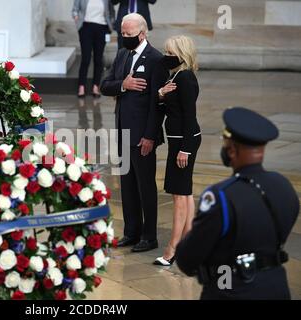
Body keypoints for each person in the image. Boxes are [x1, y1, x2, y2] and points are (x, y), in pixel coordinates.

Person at [175, 107, 300, 300]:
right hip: (276, 287)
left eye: (226, 144)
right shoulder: (283, 186)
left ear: (232, 150)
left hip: (230, 290)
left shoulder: (221, 196)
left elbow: (187, 259)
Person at [100, 13, 168, 252]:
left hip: (142, 136)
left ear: (142, 33)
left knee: (145, 186)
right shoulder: (121, 55)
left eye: (128, 34)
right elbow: (104, 86)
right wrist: (123, 85)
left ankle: (149, 237)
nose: (124, 37)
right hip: (123, 132)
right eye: (122, 33)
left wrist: (150, 136)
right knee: (127, 185)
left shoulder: (156, 60)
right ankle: (132, 231)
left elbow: (157, 104)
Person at [153, 35, 201, 266]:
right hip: (179, 140)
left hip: (184, 141)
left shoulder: (186, 78)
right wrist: (161, 94)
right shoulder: (177, 76)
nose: (166, 56)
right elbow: (171, 107)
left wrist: (185, 150)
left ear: (181, 55)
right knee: (186, 192)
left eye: (170, 52)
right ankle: (189, 243)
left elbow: (190, 118)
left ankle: (172, 250)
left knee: (179, 194)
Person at [72, 0, 115, 98]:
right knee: (85, 59)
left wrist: (111, 24)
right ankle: (81, 87)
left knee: (98, 59)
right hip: (86, 27)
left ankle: (96, 87)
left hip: (102, 28)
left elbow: (112, 12)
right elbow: (75, 10)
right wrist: (76, 18)